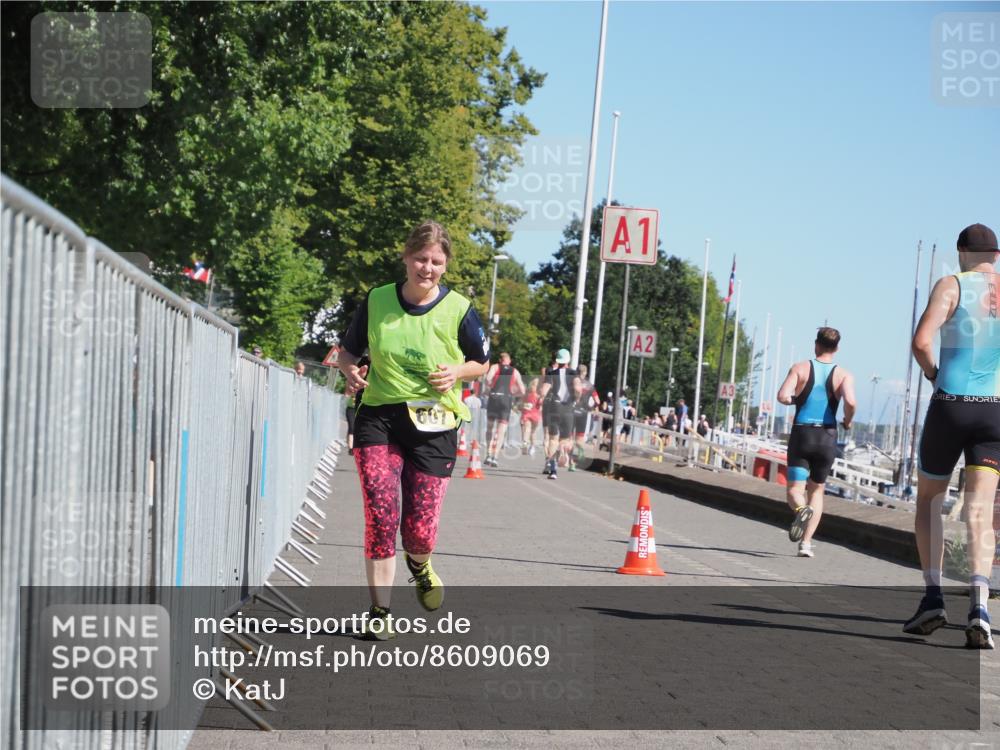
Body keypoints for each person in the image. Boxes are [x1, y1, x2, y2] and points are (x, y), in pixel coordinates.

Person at [338, 220, 489, 639]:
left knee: (419, 530)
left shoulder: (458, 308)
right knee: (381, 513)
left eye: (436, 262)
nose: (427, 268)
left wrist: (457, 371)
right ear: (406, 258)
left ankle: (419, 564)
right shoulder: (378, 300)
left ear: (446, 265)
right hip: (380, 416)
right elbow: (348, 352)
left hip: (435, 422)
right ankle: (380, 612)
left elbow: (482, 362)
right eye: (420, 259)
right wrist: (351, 373)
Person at [902, 223, 999, 649]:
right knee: (980, 509)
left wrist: (933, 373)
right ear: (995, 255)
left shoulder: (951, 285)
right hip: (996, 411)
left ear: (962, 252)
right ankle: (980, 605)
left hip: (951, 403)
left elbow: (922, 342)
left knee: (929, 500)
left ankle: (933, 597)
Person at [776, 327, 857, 558]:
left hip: (802, 434)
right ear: (837, 348)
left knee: (794, 490)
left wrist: (796, 399)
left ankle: (801, 511)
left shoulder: (800, 368)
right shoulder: (844, 375)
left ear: (816, 345)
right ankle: (806, 544)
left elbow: (782, 396)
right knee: (817, 490)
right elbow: (851, 401)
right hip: (827, 437)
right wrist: (848, 421)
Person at [538, 349, 577, 480]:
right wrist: (577, 398)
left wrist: (540, 398)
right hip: (567, 408)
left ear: (557, 361)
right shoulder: (573, 373)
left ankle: (552, 469)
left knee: (553, 439)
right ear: (568, 360)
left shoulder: (551, 373)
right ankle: (563, 453)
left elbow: (544, 390)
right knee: (565, 440)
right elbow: (577, 388)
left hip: (554, 406)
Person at [484, 352, 525, 467]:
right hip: (506, 401)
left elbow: (487, 379)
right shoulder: (515, 371)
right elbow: (522, 390)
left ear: (500, 360)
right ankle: (495, 457)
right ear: (509, 361)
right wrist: (512, 393)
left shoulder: (495, 367)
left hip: (494, 398)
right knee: (501, 430)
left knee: (490, 428)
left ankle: (488, 453)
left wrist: (490, 388)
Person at [569, 375, 597, 471]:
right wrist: (590, 408)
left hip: (572, 411)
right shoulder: (590, 386)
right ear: (585, 373)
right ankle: (580, 450)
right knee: (580, 438)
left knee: (570, 438)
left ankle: (571, 463)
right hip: (583, 413)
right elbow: (598, 401)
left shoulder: (572, 382)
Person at [519, 377, 542, 455]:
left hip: (535, 415)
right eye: (533, 385)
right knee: (526, 428)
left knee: (532, 433)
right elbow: (521, 404)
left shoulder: (539, 396)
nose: (533, 387)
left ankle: (532, 446)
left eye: (535, 385)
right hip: (526, 414)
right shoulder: (526, 395)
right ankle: (525, 443)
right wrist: (521, 406)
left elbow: (541, 405)